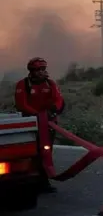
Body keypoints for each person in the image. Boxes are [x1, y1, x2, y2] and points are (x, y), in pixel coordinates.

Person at [14, 57, 65, 194]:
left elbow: (59, 99)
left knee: (46, 152)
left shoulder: (50, 83)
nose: (42, 72)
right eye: (39, 69)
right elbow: (21, 104)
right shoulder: (23, 85)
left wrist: (54, 109)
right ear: (32, 71)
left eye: (44, 69)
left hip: (49, 124)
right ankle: (29, 181)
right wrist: (37, 115)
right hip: (31, 125)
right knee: (32, 153)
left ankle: (43, 181)